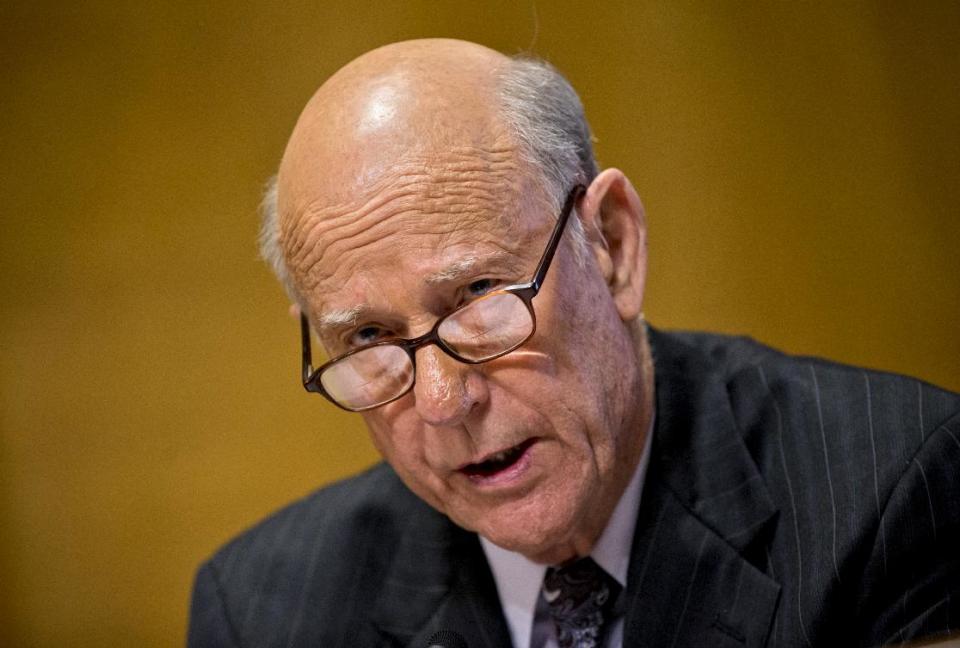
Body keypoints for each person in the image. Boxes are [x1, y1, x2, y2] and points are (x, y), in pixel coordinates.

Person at [188, 39, 960, 648]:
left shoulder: (894, 498)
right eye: (367, 337)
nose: (441, 400)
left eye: (479, 296)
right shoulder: (261, 608)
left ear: (612, 245)